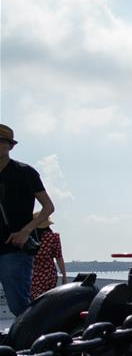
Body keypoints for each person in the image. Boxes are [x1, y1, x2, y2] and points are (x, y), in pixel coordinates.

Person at [0, 124, 55, 316]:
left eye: (1, 142)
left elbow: (48, 206)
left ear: (10, 146)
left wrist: (26, 231)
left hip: (14, 248)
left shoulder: (25, 172)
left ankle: (33, 333)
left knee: (19, 305)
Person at [31, 213, 66, 299]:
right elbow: (59, 258)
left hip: (32, 274)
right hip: (49, 273)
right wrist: (64, 275)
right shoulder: (53, 237)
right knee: (46, 300)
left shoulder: (29, 238)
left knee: (32, 300)